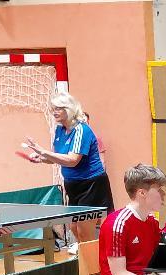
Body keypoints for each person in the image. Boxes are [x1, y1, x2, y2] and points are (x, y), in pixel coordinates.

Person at [25, 92, 113, 252]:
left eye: (58, 108)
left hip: (91, 185)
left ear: (70, 109)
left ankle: (93, 263)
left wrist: (44, 152)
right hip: (73, 185)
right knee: (74, 228)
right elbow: (57, 157)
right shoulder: (59, 130)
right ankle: (89, 258)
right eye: (53, 108)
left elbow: (73, 160)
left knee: (84, 231)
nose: (54, 112)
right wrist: (42, 158)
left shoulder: (81, 130)